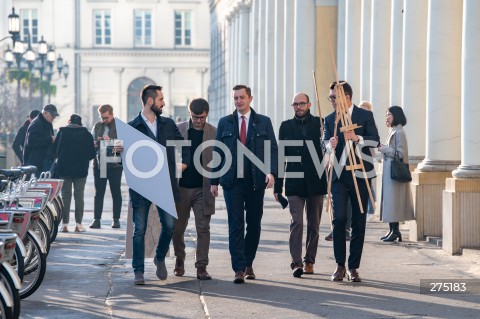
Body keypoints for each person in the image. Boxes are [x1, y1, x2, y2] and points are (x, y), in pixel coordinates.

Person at [210, 84, 278, 284]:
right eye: (235, 98)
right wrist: (214, 181)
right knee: (236, 224)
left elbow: (272, 149)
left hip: (256, 181)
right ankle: (239, 268)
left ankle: (249, 263)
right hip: (232, 182)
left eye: (242, 97)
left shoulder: (263, 122)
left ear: (250, 98)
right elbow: (218, 152)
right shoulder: (225, 122)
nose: (238, 101)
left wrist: (272, 172)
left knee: (254, 224)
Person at [127, 84, 189, 285]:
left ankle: (160, 257)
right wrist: (118, 150)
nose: (164, 103)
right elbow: (123, 161)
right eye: (161, 99)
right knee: (140, 229)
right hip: (141, 186)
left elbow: (183, 145)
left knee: (170, 226)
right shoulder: (132, 126)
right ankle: (138, 271)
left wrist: (185, 162)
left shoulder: (168, 124)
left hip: (165, 183)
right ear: (151, 101)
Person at [324, 81, 379, 282]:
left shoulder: (365, 116)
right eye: (330, 97)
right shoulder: (329, 119)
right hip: (338, 176)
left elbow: (375, 140)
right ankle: (339, 265)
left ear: (346, 97)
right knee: (338, 219)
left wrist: (356, 137)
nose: (331, 101)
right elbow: (324, 144)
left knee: (358, 220)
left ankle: (353, 267)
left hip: (361, 174)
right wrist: (330, 145)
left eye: (333, 97)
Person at [274, 92, 327, 278]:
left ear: (309, 105)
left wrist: (327, 141)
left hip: (316, 180)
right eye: (295, 104)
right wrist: (277, 186)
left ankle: (309, 261)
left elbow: (329, 151)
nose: (298, 107)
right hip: (294, 181)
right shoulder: (285, 126)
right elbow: (281, 157)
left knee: (314, 224)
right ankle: (296, 263)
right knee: (296, 222)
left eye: (302, 103)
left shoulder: (321, 124)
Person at [172, 98, 217, 280]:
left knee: (203, 229)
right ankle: (180, 259)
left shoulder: (214, 132)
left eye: (202, 117)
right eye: (195, 117)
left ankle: (201, 267)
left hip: (203, 188)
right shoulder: (178, 129)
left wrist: (216, 181)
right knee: (177, 228)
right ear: (189, 114)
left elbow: (221, 157)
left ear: (207, 114)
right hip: (181, 187)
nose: (198, 121)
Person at [378, 106, 414, 242]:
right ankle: (393, 230)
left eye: (389, 114)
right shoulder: (393, 130)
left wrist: (385, 149)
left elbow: (401, 154)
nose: (387, 117)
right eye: (386, 114)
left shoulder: (400, 132)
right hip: (390, 174)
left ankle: (395, 231)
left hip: (394, 174)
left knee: (393, 203)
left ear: (396, 115)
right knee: (390, 203)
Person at [54, 114, 95, 232]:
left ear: (69, 122)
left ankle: (65, 224)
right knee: (79, 195)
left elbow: (54, 151)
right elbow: (92, 154)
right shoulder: (86, 135)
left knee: (65, 196)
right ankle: (78, 224)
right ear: (80, 123)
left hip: (64, 169)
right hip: (80, 169)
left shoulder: (62, 133)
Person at [90, 104, 123, 229]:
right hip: (100, 163)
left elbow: (124, 143)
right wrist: (95, 143)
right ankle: (96, 219)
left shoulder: (120, 126)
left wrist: (110, 140)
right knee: (99, 192)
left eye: (106, 117)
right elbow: (92, 141)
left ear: (112, 114)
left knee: (116, 192)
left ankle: (116, 219)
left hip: (115, 164)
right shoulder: (97, 126)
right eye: (102, 117)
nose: (104, 120)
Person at [23, 104, 59, 177]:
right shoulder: (36, 123)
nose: (54, 117)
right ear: (45, 113)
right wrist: (50, 139)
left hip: (43, 161)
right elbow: (31, 142)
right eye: (52, 115)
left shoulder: (47, 123)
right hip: (37, 163)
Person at [359, 100, 377, 220]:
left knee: (368, 184)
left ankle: (371, 209)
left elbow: (373, 140)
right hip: (359, 155)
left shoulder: (369, 122)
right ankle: (369, 209)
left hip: (367, 156)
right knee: (365, 184)